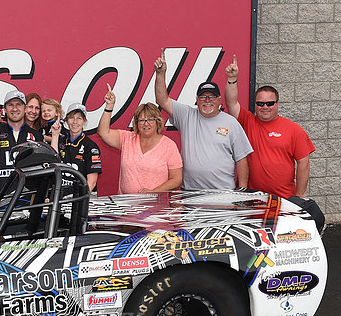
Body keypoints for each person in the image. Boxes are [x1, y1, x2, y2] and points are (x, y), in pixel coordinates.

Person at [224, 55, 323, 230]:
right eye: (260, 103)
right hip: (253, 200)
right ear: (255, 105)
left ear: (277, 103)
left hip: (284, 201)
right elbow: (231, 103)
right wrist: (232, 79)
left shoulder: (293, 129)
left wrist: (300, 195)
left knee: (283, 238)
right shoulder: (248, 122)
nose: (265, 107)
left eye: (269, 103)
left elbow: (304, 162)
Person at [154, 49, 252, 190]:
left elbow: (242, 159)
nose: (207, 100)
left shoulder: (231, 123)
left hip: (222, 194)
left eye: (212, 97)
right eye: (203, 97)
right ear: (197, 100)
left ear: (219, 100)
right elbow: (162, 100)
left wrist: (242, 191)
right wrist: (160, 74)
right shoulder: (186, 115)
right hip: (190, 192)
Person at [97, 84, 183, 194]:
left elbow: (176, 179)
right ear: (136, 123)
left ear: (158, 122)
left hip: (157, 204)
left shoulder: (169, 145)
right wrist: (109, 106)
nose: (146, 124)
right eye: (142, 120)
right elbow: (103, 132)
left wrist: (153, 192)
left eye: (150, 120)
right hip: (127, 203)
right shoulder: (126, 138)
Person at [0, 90, 44, 206]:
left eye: (18, 104)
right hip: (0, 202)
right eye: (10, 105)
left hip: (27, 202)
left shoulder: (36, 136)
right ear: (4, 109)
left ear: (25, 108)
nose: (14, 109)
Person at [50, 102, 103, 193]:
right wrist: (55, 135)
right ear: (66, 120)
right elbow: (53, 162)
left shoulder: (91, 147)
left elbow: (91, 182)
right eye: (71, 118)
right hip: (61, 194)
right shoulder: (60, 141)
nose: (75, 122)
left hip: (83, 195)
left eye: (79, 118)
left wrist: (80, 199)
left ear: (84, 121)